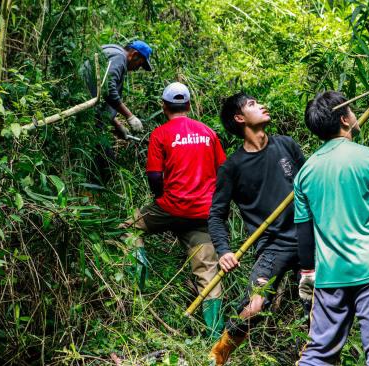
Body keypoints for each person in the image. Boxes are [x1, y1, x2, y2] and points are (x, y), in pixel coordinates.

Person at [295, 91, 369, 365]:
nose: (355, 114)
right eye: (351, 110)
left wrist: (307, 273)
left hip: (330, 275)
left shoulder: (306, 171)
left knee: (317, 354)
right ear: (344, 120)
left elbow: (303, 230)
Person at [119, 82, 226, 339]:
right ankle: (215, 338)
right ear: (188, 105)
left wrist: (162, 201)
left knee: (129, 228)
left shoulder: (161, 134)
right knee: (208, 273)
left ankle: (136, 287)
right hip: (203, 213)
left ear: (164, 106)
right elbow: (224, 172)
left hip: (170, 206)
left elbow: (155, 177)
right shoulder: (208, 133)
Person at [208, 93, 305, 365]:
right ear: (240, 119)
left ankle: (307, 357)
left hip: (308, 239)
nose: (261, 106)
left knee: (318, 304)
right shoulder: (233, 167)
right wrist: (224, 251)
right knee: (255, 307)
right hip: (273, 246)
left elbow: (312, 185)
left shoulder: (286, 145)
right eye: (252, 104)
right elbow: (217, 215)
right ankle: (221, 352)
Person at [81, 40, 152, 183]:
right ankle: (90, 194)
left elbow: (99, 95)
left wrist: (116, 124)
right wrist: (129, 116)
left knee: (102, 161)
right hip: (87, 118)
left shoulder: (111, 53)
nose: (138, 69)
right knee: (106, 163)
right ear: (134, 54)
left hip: (86, 113)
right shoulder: (119, 58)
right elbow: (107, 87)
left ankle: (89, 192)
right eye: (140, 64)